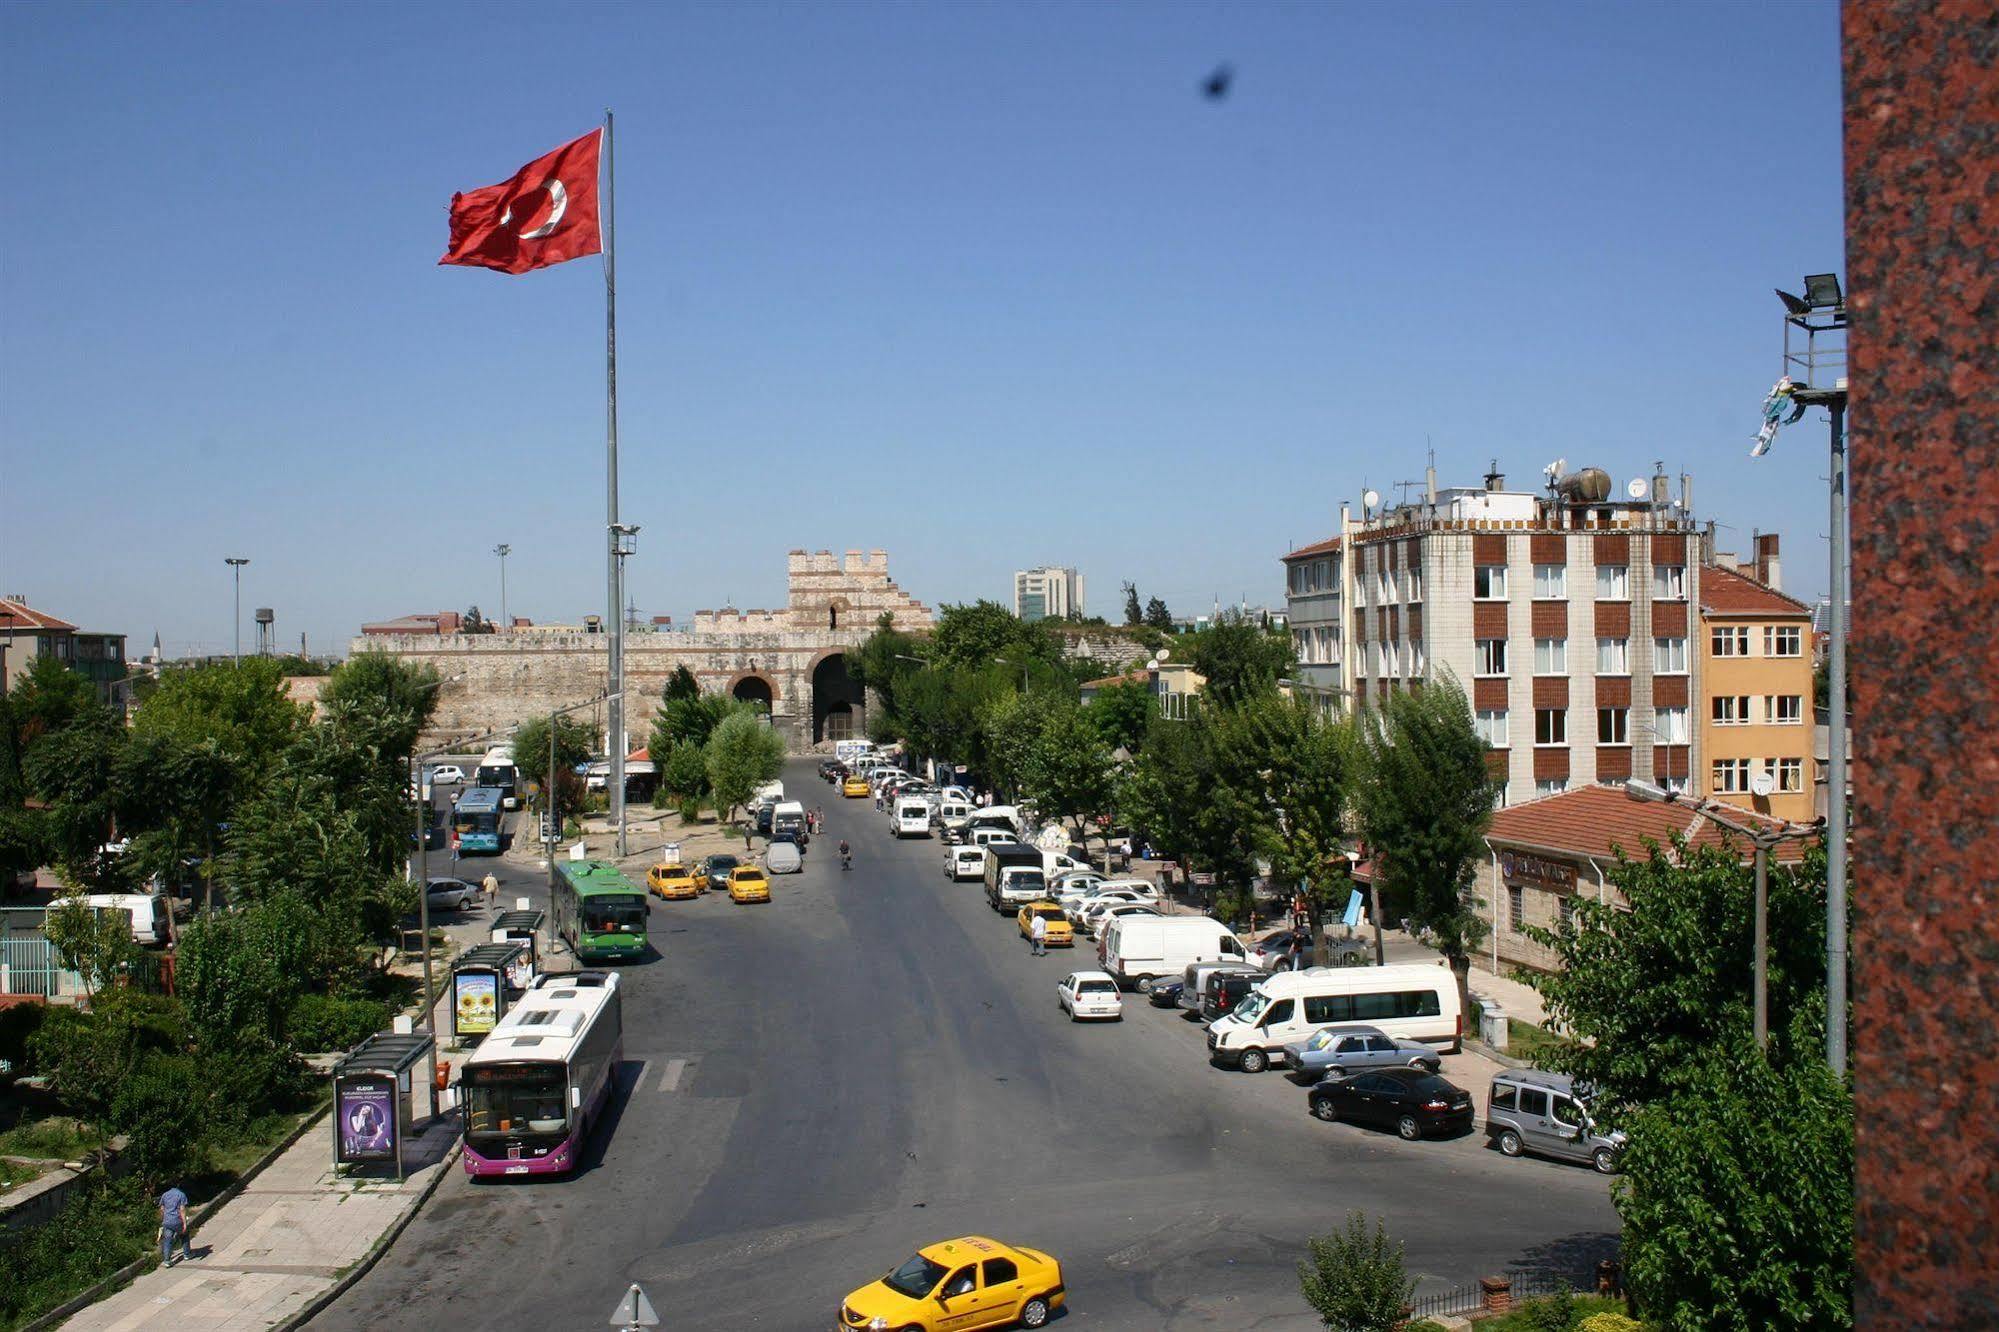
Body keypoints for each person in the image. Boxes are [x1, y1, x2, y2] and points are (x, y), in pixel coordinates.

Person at [158, 1182, 193, 1267]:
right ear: (178, 1185)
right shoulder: (181, 1195)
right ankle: (187, 1254)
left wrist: (163, 1219)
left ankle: (167, 1260)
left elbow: (162, 1209)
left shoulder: (164, 1195)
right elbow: (182, 1210)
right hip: (177, 1220)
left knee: (168, 1240)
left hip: (167, 1221)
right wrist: (184, 1223)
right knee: (184, 1235)